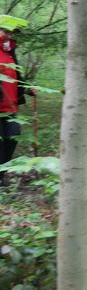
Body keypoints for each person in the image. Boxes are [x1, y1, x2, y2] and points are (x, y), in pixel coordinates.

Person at [0, 25, 33, 184]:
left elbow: (16, 76)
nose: (9, 35)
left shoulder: (10, 51)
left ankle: (2, 172)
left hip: (11, 108)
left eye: (11, 32)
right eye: (5, 31)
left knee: (12, 138)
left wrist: (27, 89)